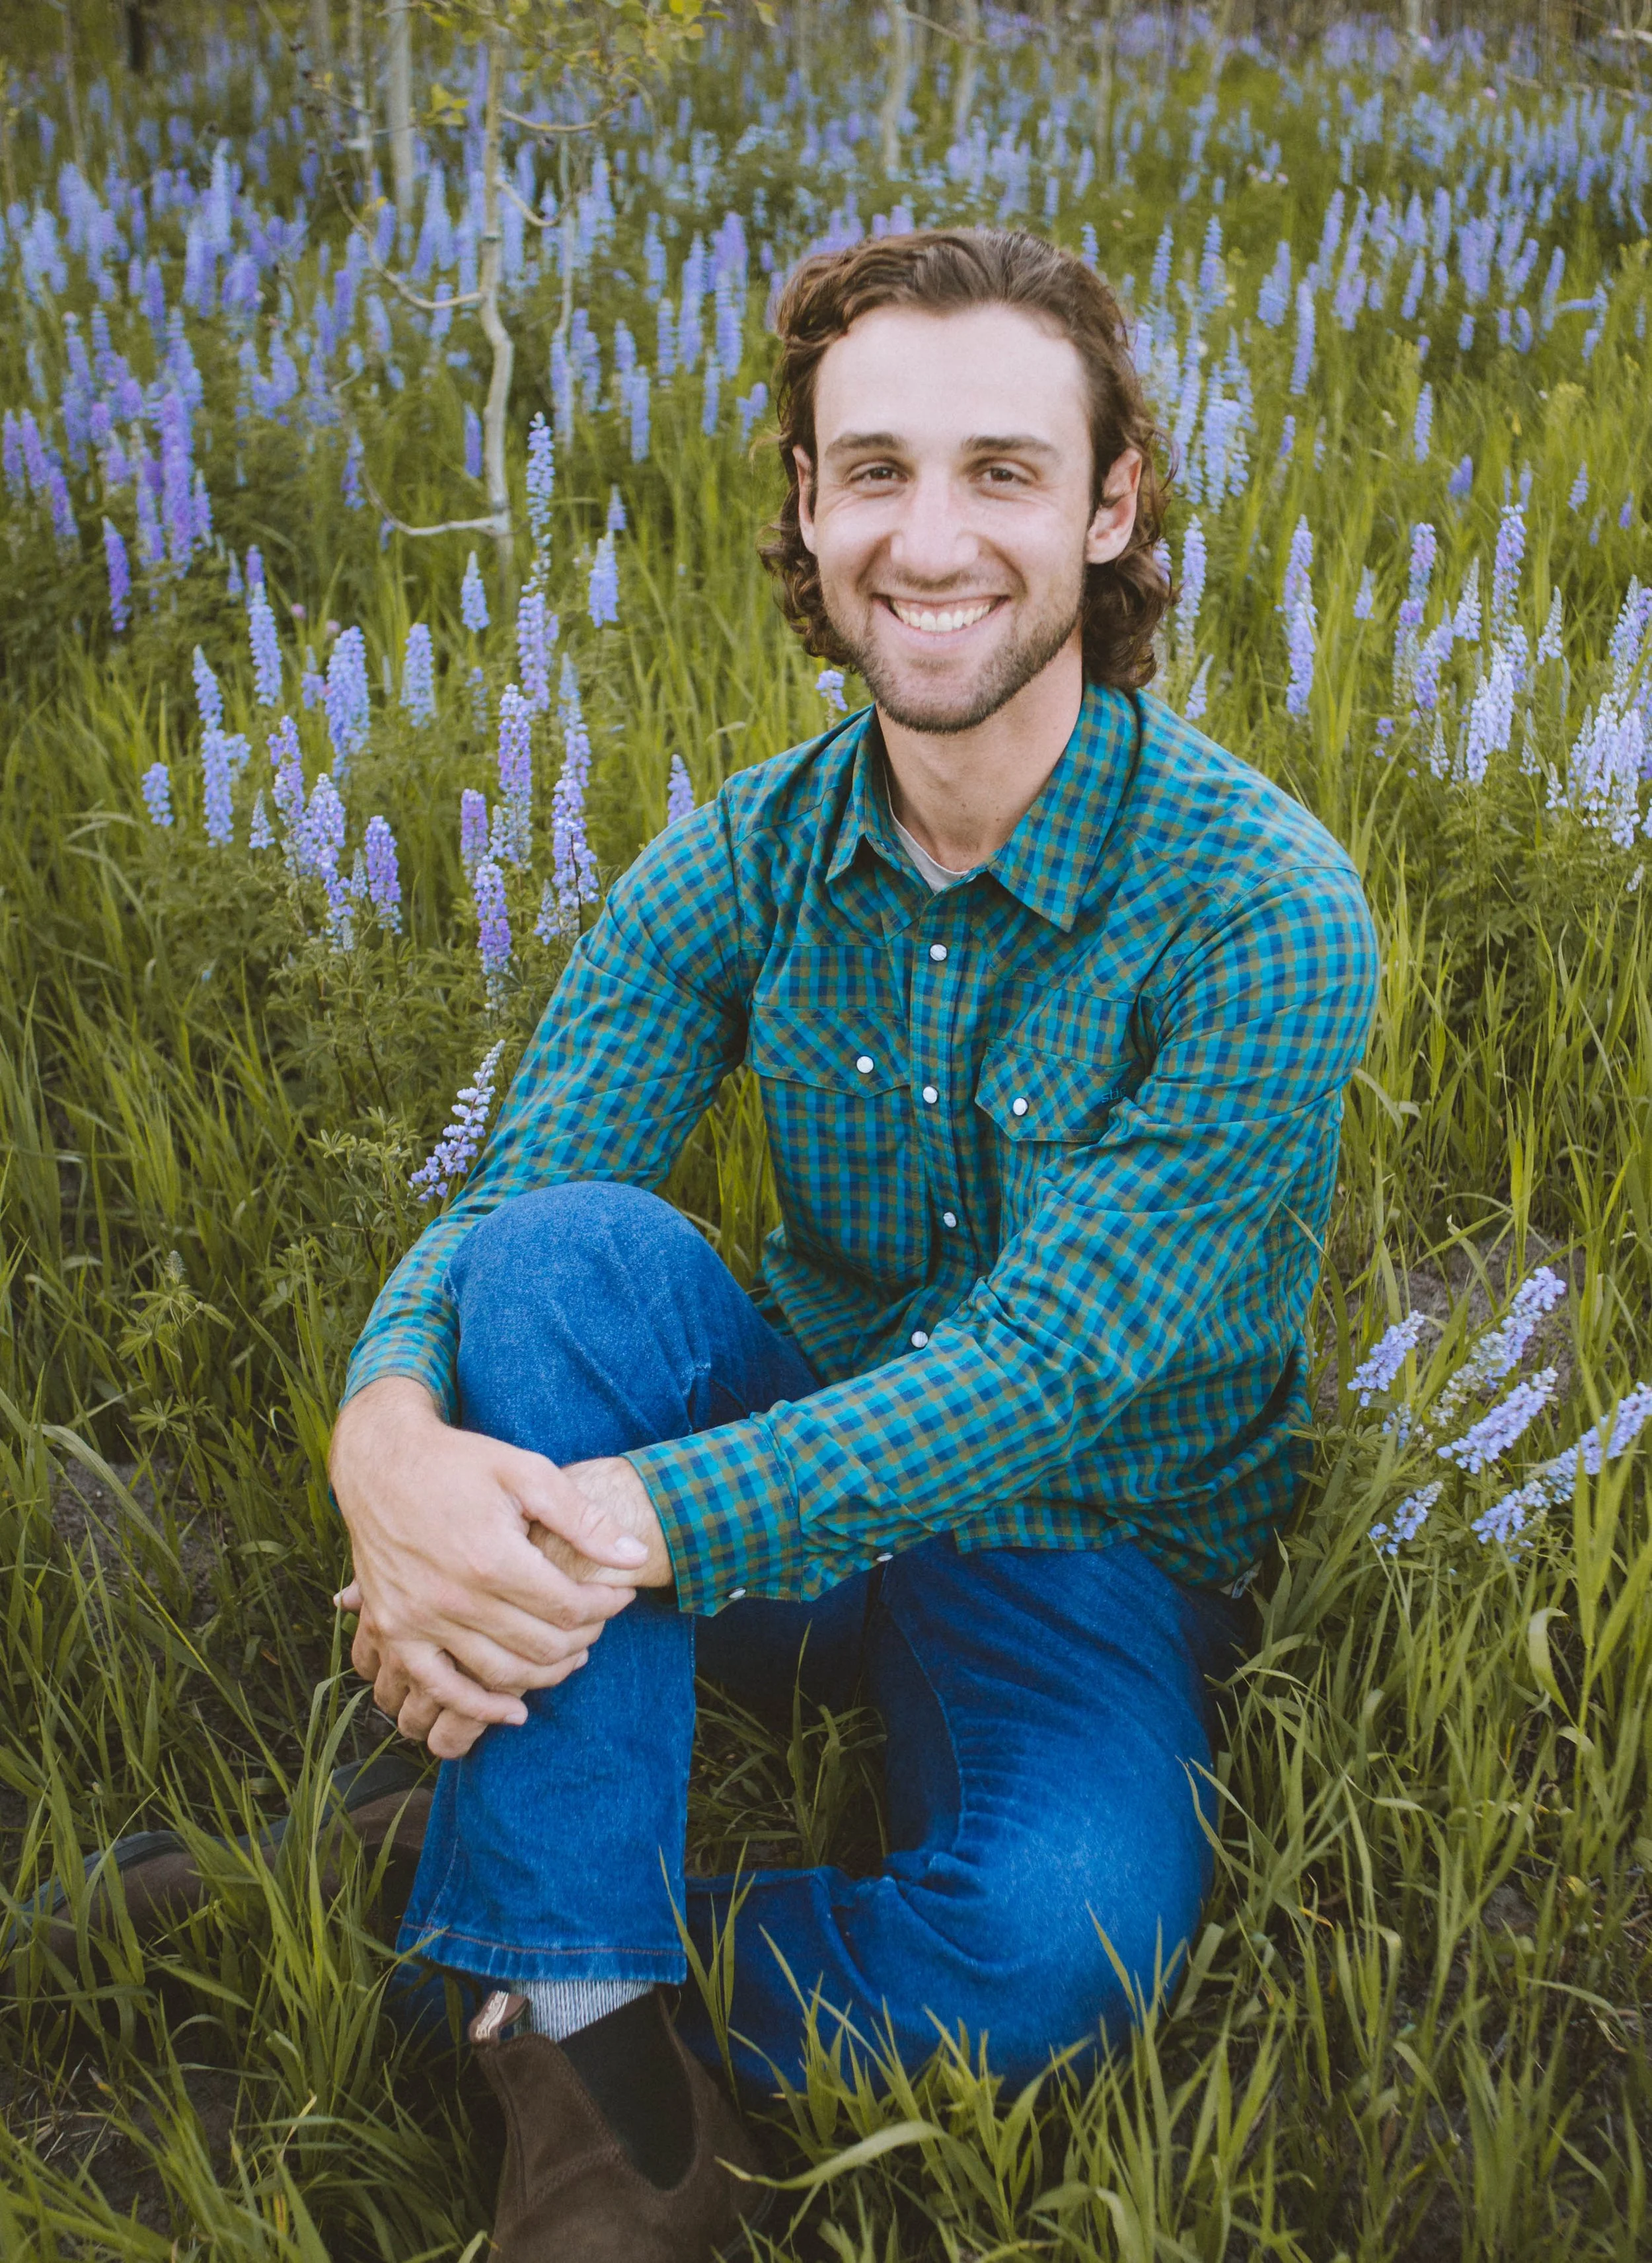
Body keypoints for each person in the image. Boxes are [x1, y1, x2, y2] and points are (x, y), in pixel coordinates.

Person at [328, 225, 1378, 2262]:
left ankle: (488, 1905)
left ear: (1109, 504)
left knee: (1048, 1953)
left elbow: (1049, 1372)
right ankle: (604, 2081)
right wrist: (382, 1434)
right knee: (561, 1261)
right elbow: (519, 1199)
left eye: (1000, 470)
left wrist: (602, 1526)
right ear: (807, 512)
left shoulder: (1260, 903)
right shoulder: (745, 851)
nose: (931, 536)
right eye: (873, 469)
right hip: (785, 1483)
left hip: (1092, 1534)